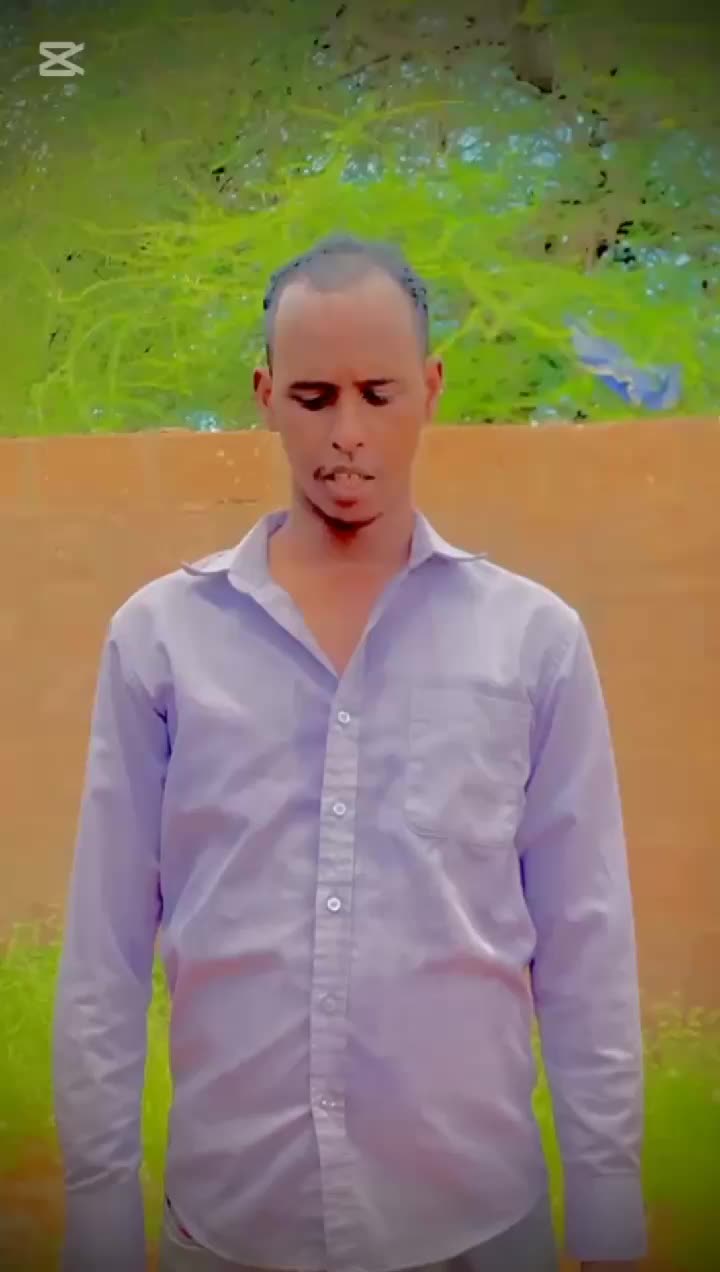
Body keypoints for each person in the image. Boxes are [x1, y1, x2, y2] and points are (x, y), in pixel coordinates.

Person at [53, 234, 647, 1272]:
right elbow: (106, 948)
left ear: (431, 390)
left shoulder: (532, 643)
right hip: (232, 1229)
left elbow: (585, 941)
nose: (348, 433)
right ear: (265, 396)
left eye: (378, 394)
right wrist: (100, 1221)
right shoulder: (160, 642)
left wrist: (607, 1211)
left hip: (479, 1226)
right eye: (314, 396)